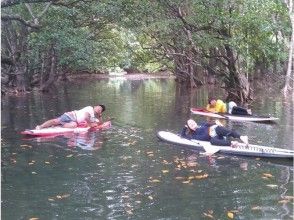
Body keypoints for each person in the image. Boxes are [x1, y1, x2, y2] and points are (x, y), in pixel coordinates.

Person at [180, 119, 248, 146]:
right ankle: (232, 143)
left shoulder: (202, 124)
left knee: (218, 128)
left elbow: (210, 124)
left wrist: (216, 122)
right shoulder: (192, 135)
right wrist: (185, 127)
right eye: (190, 124)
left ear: (195, 122)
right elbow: (182, 135)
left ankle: (241, 137)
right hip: (214, 137)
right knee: (212, 141)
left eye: (192, 122)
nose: (192, 123)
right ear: (189, 127)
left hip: (215, 130)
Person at [35, 105, 106, 129]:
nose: (98, 109)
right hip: (71, 115)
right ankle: (40, 126)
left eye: (100, 110)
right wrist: (90, 124)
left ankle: (58, 125)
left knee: (74, 125)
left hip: (74, 121)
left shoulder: (93, 117)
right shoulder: (89, 108)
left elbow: (100, 124)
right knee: (55, 121)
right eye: (98, 107)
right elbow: (86, 116)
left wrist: (100, 116)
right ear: (95, 106)